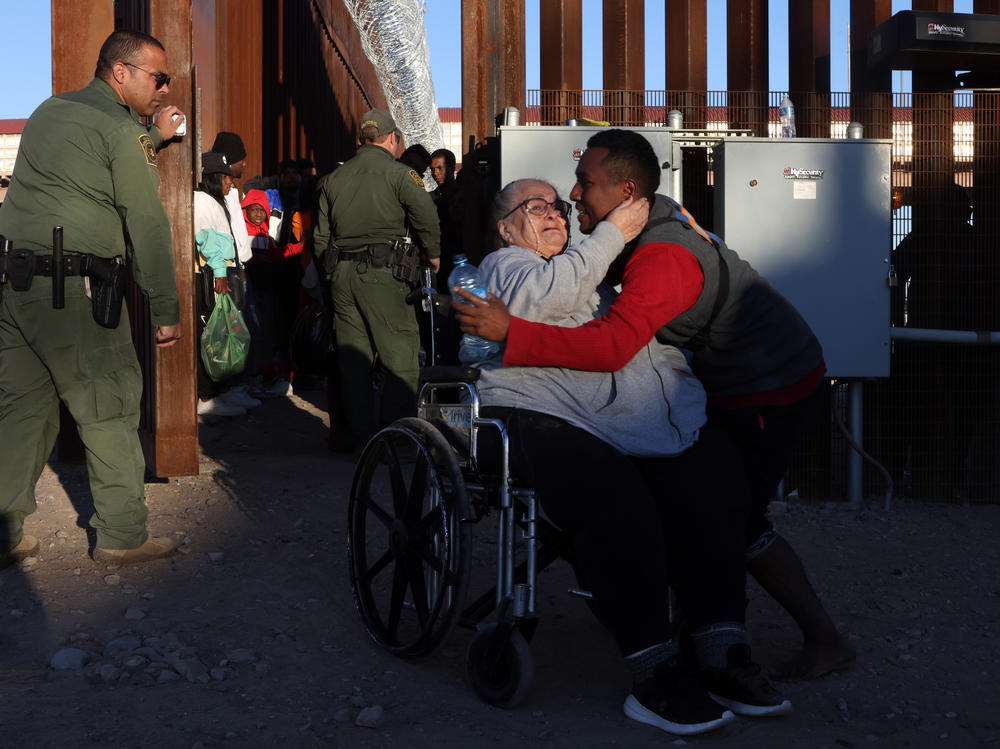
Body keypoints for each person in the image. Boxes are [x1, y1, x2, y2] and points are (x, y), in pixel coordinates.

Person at [456, 128, 855, 681]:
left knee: (726, 513)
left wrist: (512, 332)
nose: (568, 201)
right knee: (702, 507)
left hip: (769, 386)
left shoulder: (656, 256)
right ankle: (702, 636)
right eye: (538, 205)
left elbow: (616, 344)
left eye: (579, 185)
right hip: (708, 386)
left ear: (625, 194)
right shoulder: (540, 261)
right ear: (504, 229)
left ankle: (798, 638)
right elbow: (577, 312)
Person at [471, 178, 791, 736]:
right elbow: (548, 297)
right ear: (504, 228)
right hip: (540, 411)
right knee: (620, 504)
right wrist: (614, 233)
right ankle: (655, 670)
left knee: (708, 494)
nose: (553, 214)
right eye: (534, 206)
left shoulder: (587, 269)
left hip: (615, 416)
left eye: (557, 207)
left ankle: (721, 648)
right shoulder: (505, 268)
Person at [0, 29, 184, 567]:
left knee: (23, 412)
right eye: (158, 78)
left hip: (15, 288)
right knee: (109, 403)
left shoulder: (48, 111)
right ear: (120, 72)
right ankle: (123, 535)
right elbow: (146, 223)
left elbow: (86, 168)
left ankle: (3, 530)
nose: (165, 89)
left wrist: (149, 137)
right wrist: (166, 308)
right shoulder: (121, 131)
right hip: (74, 291)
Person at [312, 108, 441, 452]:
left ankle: (360, 443)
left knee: (353, 362)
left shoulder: (333, 179)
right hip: (384, 277)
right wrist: (434, 253)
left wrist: (330, 277)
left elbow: (321, 238)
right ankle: (398, 443)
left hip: (342, 277)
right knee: (398, 358)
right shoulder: (401, 175)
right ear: (393, 138)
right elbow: (425, 214)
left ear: (361, 140)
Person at [194, 151, 258, 416]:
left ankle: (224, 393)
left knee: (225, 333)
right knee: (212, 335)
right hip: (211, 277)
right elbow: (206, 242)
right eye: (225, 177)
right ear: (212, 178)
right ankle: (207, 399)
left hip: (222, 275)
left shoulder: (214, 201)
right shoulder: (201, 201)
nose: (230, 182)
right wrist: (221, 274)